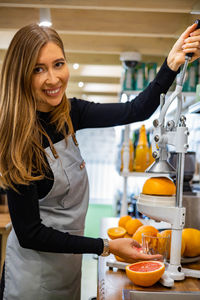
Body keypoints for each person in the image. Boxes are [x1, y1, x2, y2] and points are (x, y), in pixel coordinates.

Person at [0, 22, 200, 300]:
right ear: (21, 75)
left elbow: (137, 109)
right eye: (38, 69)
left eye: (58, 64)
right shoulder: (19, 141)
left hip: (66, 269)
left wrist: (171, 63)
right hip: (30, 279)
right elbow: (30, 233)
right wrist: (107, 245)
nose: (53, 79)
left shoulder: (69, 113)